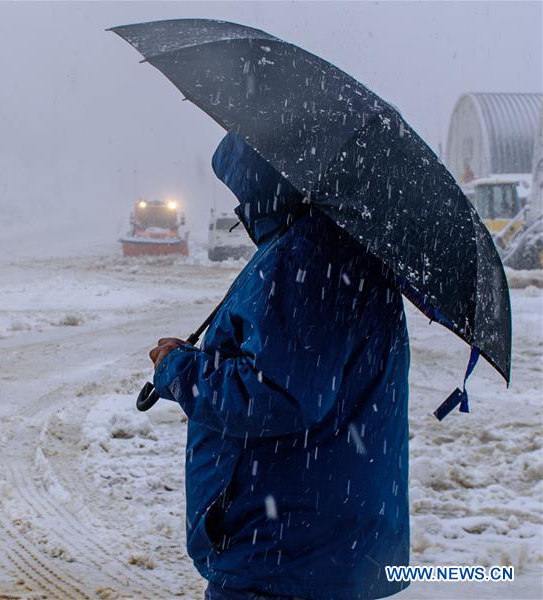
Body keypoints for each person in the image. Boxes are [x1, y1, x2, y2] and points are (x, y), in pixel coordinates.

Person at [148, 132, 411, 600]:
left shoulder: (304, 258)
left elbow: (274, 395)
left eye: (241, 187)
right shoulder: (347, 251)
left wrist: (179, 369)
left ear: (264, 180)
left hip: (281, 553)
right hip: (330, 545)